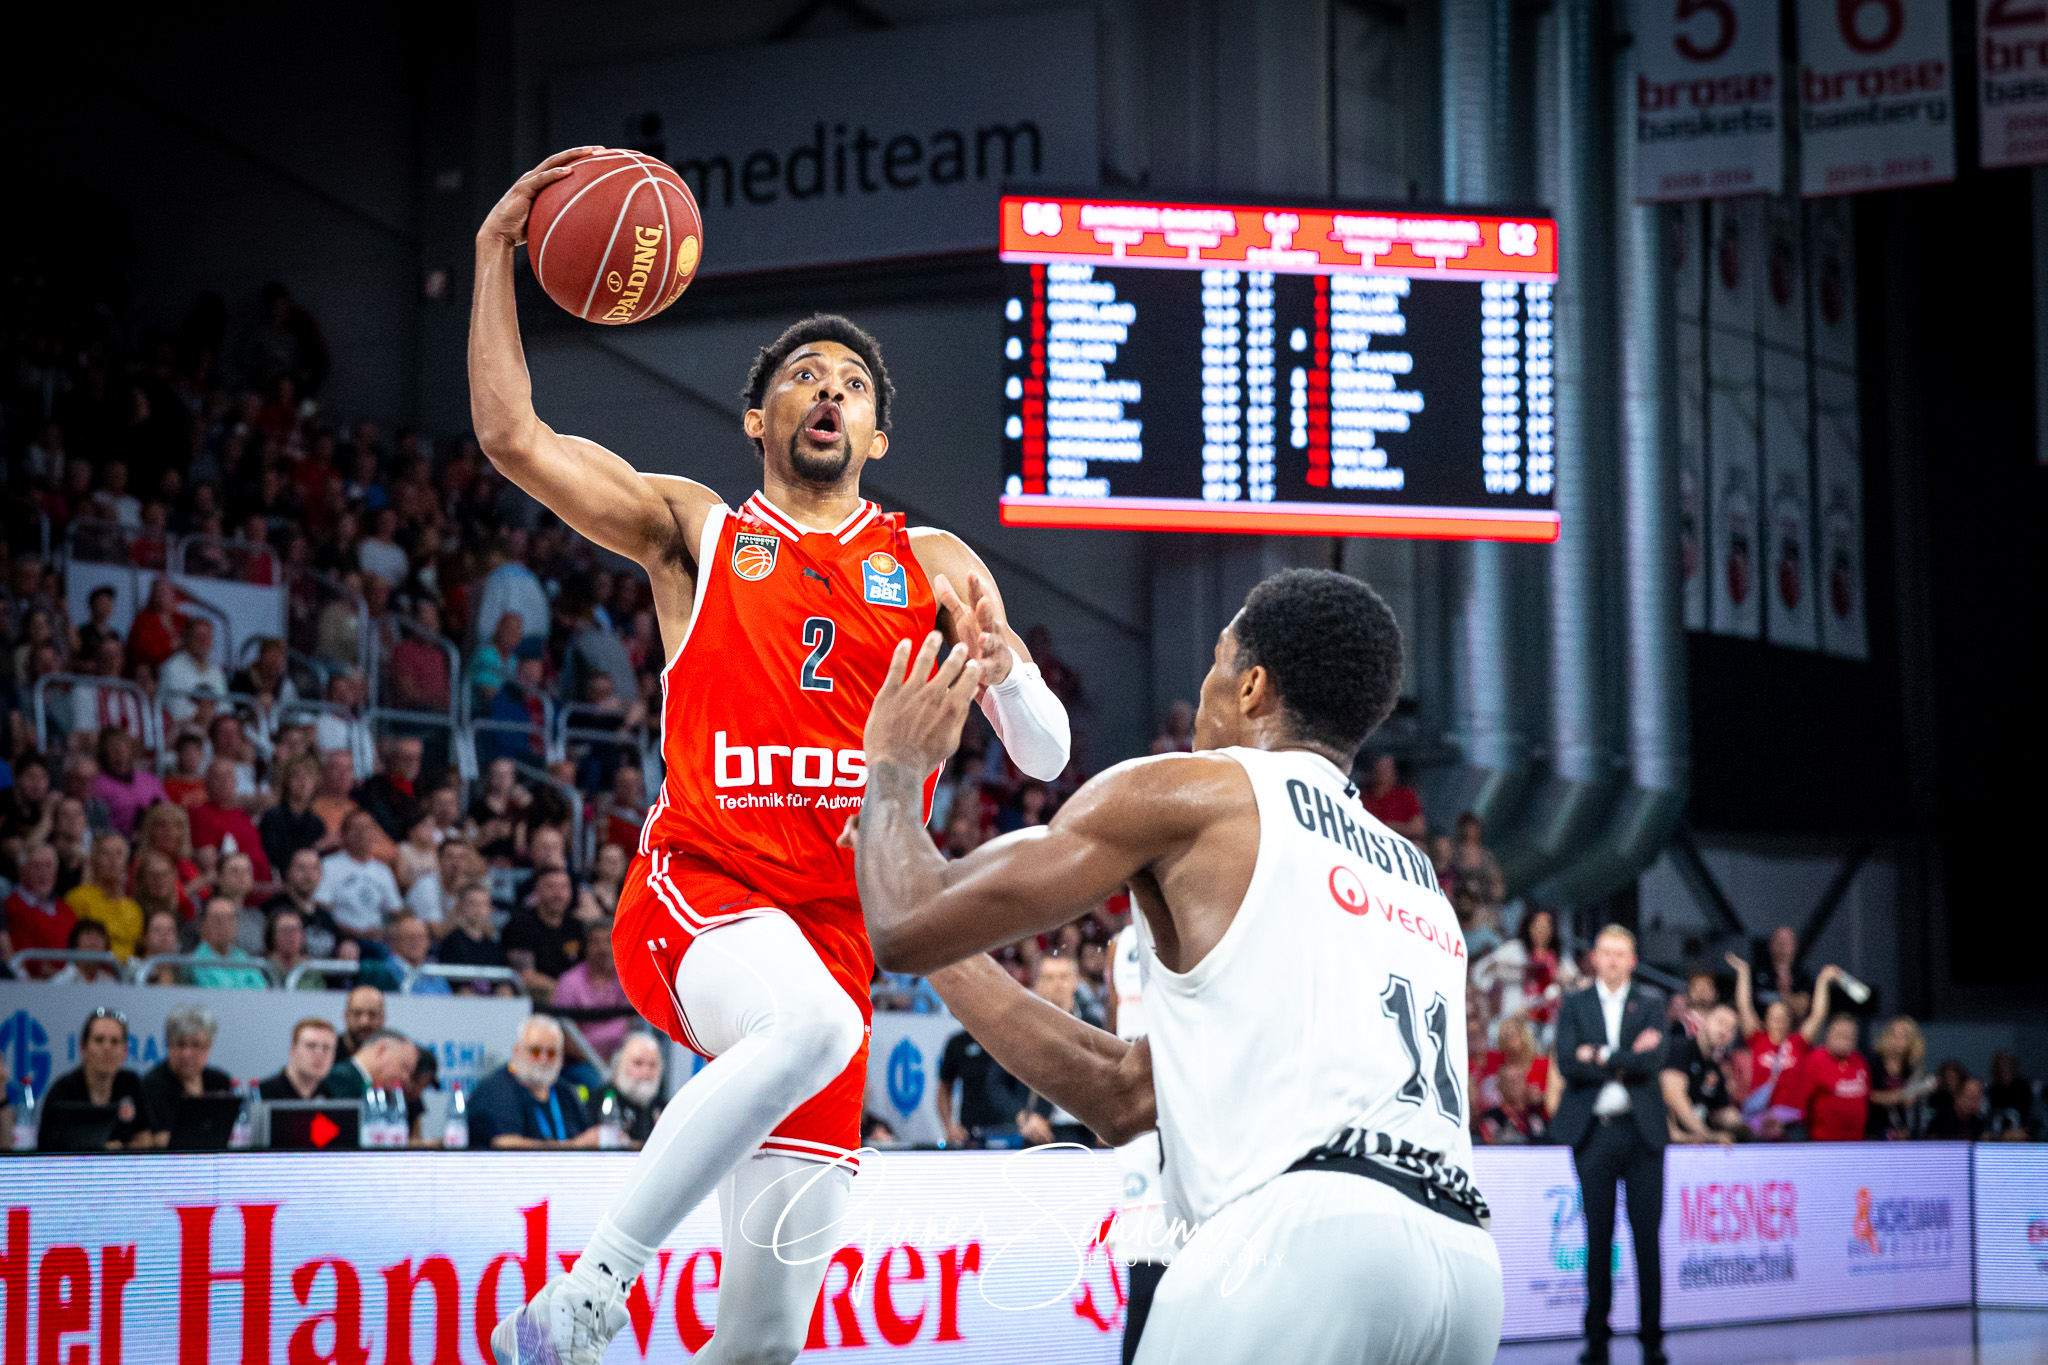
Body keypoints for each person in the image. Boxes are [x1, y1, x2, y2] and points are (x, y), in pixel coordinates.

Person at [474, 149, 1075, 1364]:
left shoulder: (938, 562)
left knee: (762, 1344)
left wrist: (1005, 664)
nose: (824, 391)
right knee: (813, 1029)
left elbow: (1048, 756)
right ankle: (587, 1291)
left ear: (876, 431)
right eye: (801, 375)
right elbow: (513, 437)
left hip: (836, 938)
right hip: (698, 894)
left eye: (848, 382)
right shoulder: (695, 530)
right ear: (758, 419)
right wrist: (496, 251)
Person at [852, 570, 1501, 1365]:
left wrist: (890, 766)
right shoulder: (1415, 875)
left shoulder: (1197, 796)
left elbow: (907, 922)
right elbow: (1126, 1097)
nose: (1202, 686)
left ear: (1253, 686)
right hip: (1466, 1269)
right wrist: (959, 963)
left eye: (1218, 659)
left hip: (1298, 1239)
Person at [1549, 927, 1669, 1365]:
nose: (1615, 960)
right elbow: (1566, 1061)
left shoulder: (1652, 1004)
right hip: (1594, 1132)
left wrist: (1598, 1055)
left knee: (1646, 1239)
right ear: (1595, 958)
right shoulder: (1576, 1004)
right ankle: (1596, 1339)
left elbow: (1654, 1061)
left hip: (1643, 1134)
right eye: (1607, 953)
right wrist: (1624, 1059)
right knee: (1598, 1237)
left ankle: (1652, 1339)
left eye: (1623, 953)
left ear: (1633, 960)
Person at [1729, 952, 1837, 1131]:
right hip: (1760, 1119)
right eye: (1773, 1017)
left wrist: (1822, 981)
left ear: (1790, 1021)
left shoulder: (1798, 1043)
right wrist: (1743, 973)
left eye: (1783, 1017)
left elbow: (1818, 1015)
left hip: (1792, 1121)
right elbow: (1744, 1006)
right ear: (1766, 1021)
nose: (1778, 1021)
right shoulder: (1758, 1040)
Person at [467, 1015, 599, 1149]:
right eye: (535, 1051)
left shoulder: (565, 1091)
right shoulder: (497, 1089)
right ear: (517, 1051)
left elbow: (589, 1135)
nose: (544, 1059)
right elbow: (507, 1144)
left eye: (551, 1053)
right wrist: (571, 1146)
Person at [41, 1009, 148, 1150]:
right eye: (99, 1040)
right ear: (83, 1048)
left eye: (115, 1042)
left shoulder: (132, 1084)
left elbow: (147, 1139)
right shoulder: (62, 1093)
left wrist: (121, 1149)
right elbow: (46, 1147)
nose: (107, 1048)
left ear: (125, 1052)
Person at [139, 1004, 235, 1148]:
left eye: (196, 1045)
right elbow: (160, 1139)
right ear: (168, 1045)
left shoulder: (220, 1081)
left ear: (209, 1047)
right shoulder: (153, 1084)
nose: (187, 1054)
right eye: (180, 1044)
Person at [1770, 1013, 1870, 1141]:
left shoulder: (1860, 1062)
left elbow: (1866, 1097)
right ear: (1828, 1035)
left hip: (1856, 1143)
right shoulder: (1815, 1060)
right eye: (1839, 1035)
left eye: (1848, 1036)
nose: (1844, 1039)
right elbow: (1799, 1099)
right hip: (1823, 1143)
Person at [552, 918, 631, 1061]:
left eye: (608, 941)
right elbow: (563, 1036)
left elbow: (634, 1026)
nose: (603, 948)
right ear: (586, 947)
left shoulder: (629, 979)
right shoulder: (569, 982)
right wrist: (599, 1063)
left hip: (624, 1060)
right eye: (596, 942)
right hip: (581, 1062)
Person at [317, 810, 404, 942]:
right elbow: (322, 909)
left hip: (377, 941)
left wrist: (384, 932)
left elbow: (395, 911)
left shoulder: (383, 871)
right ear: (344, 834)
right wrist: (355, 933)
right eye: (355, 829)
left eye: (366, 829)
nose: (361, 834)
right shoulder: (329, 865)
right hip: (342, 940)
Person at [1662, 1003, 1742, 1144]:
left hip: (1694, 1139)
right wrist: (1706, 1134)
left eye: (1731, 1029)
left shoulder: (1714, 1068)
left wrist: (1749, 1124)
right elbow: (1674, 1096)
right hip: (1665, 1138)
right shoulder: (1680, 1047)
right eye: (1720, 1022)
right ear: (1704, 1021)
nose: (1724, 1031)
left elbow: (1721, 1112)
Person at [189, 760, 274, 882]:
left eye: (229, 776)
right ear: (206, 783)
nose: (224, 781)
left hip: (264, 880)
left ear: (235, 781)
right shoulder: (200, 814)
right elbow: (209, 864)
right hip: (237, 886)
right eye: (218, 777)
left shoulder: (242, 814)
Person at [65, 833, 141, 960]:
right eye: (105, 853)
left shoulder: (134, 909)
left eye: (119, 854)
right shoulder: (78, 898)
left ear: (127, 862)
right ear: (94, 860)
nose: (113, 860)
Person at [5, 842, 75, 976]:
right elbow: (30, 963)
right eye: (36, 866)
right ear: (22, 870)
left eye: (48, 866)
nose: (43, 873)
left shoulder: (65, 909)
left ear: (55, 872)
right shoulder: (13, 906)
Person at [1866, 1015, 1933, 1140]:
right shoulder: (1873, 1060)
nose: (1898, 1040)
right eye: (1894, 1034)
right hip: (1873, 1128)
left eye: (1904, 1035)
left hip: (1899, 1130)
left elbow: (1909, 1101)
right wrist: (1901, 1095)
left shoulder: (1909, 1065)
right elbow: (1867, 1094)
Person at [594, 1032, 667, 1145]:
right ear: (619, 1066)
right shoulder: (600, 1101)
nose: (646, 1072)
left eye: (652, 1065)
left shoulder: (664, 1108)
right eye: (638, 1063)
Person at [92, 729, 165, 837]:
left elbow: (166, 807)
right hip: (118, 842)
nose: (120, 750)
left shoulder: (148, 779)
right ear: (104, 751)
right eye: (113, 746)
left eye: (123, 744)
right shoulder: (98, 783)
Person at [261, 756, 326, 874]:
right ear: (287, 781)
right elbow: (275, 857)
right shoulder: (272, 817)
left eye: (308, 777)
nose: (303, 782)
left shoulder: (317, 823)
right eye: (297, 776)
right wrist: (316, 846)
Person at [188, 895, 268, 989]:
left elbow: (261, 989)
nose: (224, 924)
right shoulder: (194, 962)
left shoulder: (243, 958)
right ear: (204, 925)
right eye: (217, 919)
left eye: (229, 918)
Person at [320, 1028, 420, 1101]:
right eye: (404, 1067)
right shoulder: (338, 1081)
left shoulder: (374, 1091)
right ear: (382, 1051)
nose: (406, 1078)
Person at [259, 1017, 339, 1101]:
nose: (319, 1054)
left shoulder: (336, 1097)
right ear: (293, 1050)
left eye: (326, 1048)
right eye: (311, 1046)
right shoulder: (262, 1096)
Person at [1359, 752, 1426, 841]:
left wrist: (1387, 826)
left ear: (1394, 772)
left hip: (1401, 844)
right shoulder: (1363, 799)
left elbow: (1418, 828)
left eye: (1386, 769)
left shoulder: (1405, 795)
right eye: (1378, 769)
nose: (1382, 773)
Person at [335, 984, 387, 1060]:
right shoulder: (328, 1052)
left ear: (383, 1018)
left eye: (372, 1014)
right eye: (357, 1013)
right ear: (346, 1016)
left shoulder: (392, 1057)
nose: (364, 1022)